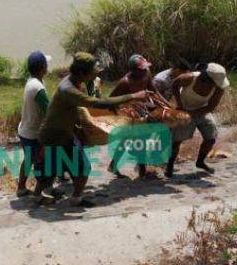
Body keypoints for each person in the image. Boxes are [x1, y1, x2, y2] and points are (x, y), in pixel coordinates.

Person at [34, 52, 147, 207]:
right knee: (55, 170)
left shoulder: (76, 83)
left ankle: (75, 198)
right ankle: (39, 196)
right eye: (92, 73)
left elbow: (82, 108)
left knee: (78, 168)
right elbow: (97, 103)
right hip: (53, 136)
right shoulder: (68, 89)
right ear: (81, 73)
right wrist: (133, 96)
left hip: (66, 133)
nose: (94, 76)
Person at [107, 54, 168, 178]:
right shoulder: (125, 82)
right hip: (130, 114)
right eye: (141, 69)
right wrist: (120, 117)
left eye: (145, 67)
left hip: (143, 110)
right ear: (133, 70)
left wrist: (166, 105)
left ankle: (115, 165)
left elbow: (154, 91)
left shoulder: (147, 73)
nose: (144, 70)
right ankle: (142, 171)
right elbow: (111, 101)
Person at [165, 62, 230, 177]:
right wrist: (179, 105)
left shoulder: (219, 89)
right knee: (177, 140)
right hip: (184, 109)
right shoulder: (189, 78)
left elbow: (210, 107)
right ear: (207, 79)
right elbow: (175, 85)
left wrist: (191, 114)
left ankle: (200, 161)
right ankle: (169, 166)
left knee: (211, 138)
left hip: (202, 111)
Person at [16, 51, 51, 197]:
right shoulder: (38, 88)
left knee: (29, 159)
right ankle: (40, 192)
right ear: (42, 67)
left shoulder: (32, 81)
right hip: (33, 133)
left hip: (25, 130)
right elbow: (49, 113)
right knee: (42, 161)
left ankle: (22, 188)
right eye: (46, 64)